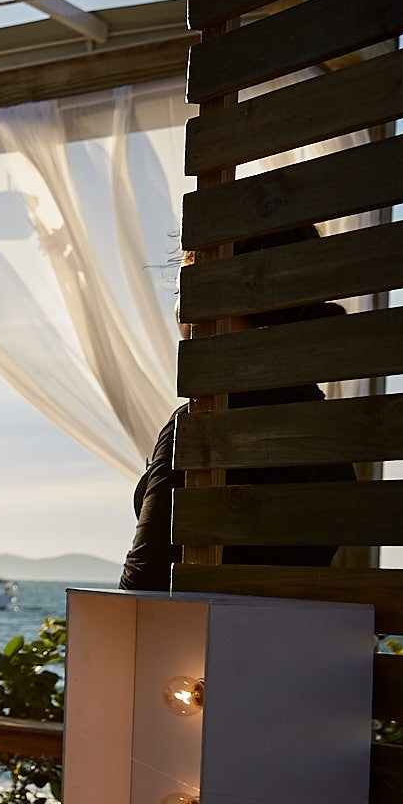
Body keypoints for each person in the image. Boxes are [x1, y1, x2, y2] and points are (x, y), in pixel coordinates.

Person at [121, 225, 354, 590]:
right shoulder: (331, 431)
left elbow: (144, 581)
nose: (179, 307)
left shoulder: (203, 425)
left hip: (201, 641)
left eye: (187, 287)